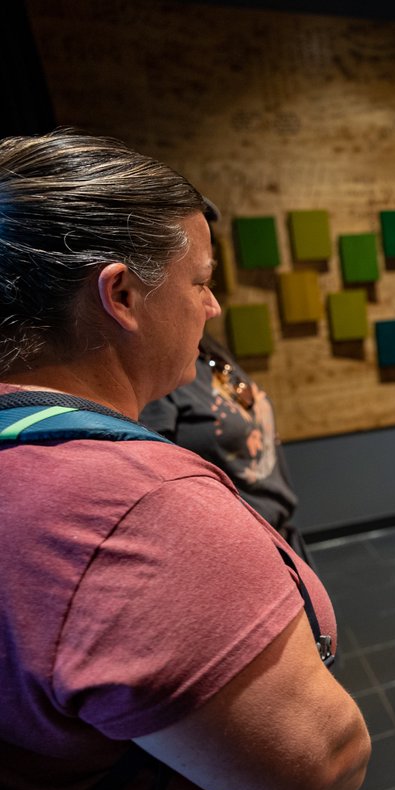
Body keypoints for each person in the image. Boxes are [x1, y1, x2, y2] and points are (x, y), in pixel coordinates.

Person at [0, 130, 369, 790]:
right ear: (121, 296)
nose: (213, 304)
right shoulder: (137, 507)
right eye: (199, 282)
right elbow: (324, 762)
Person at [140, 200, 304, 557]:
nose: (213, 304)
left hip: (279, 539)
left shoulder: (205, 345)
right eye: (198, 282)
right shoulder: (159, 376)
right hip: (245, 552)